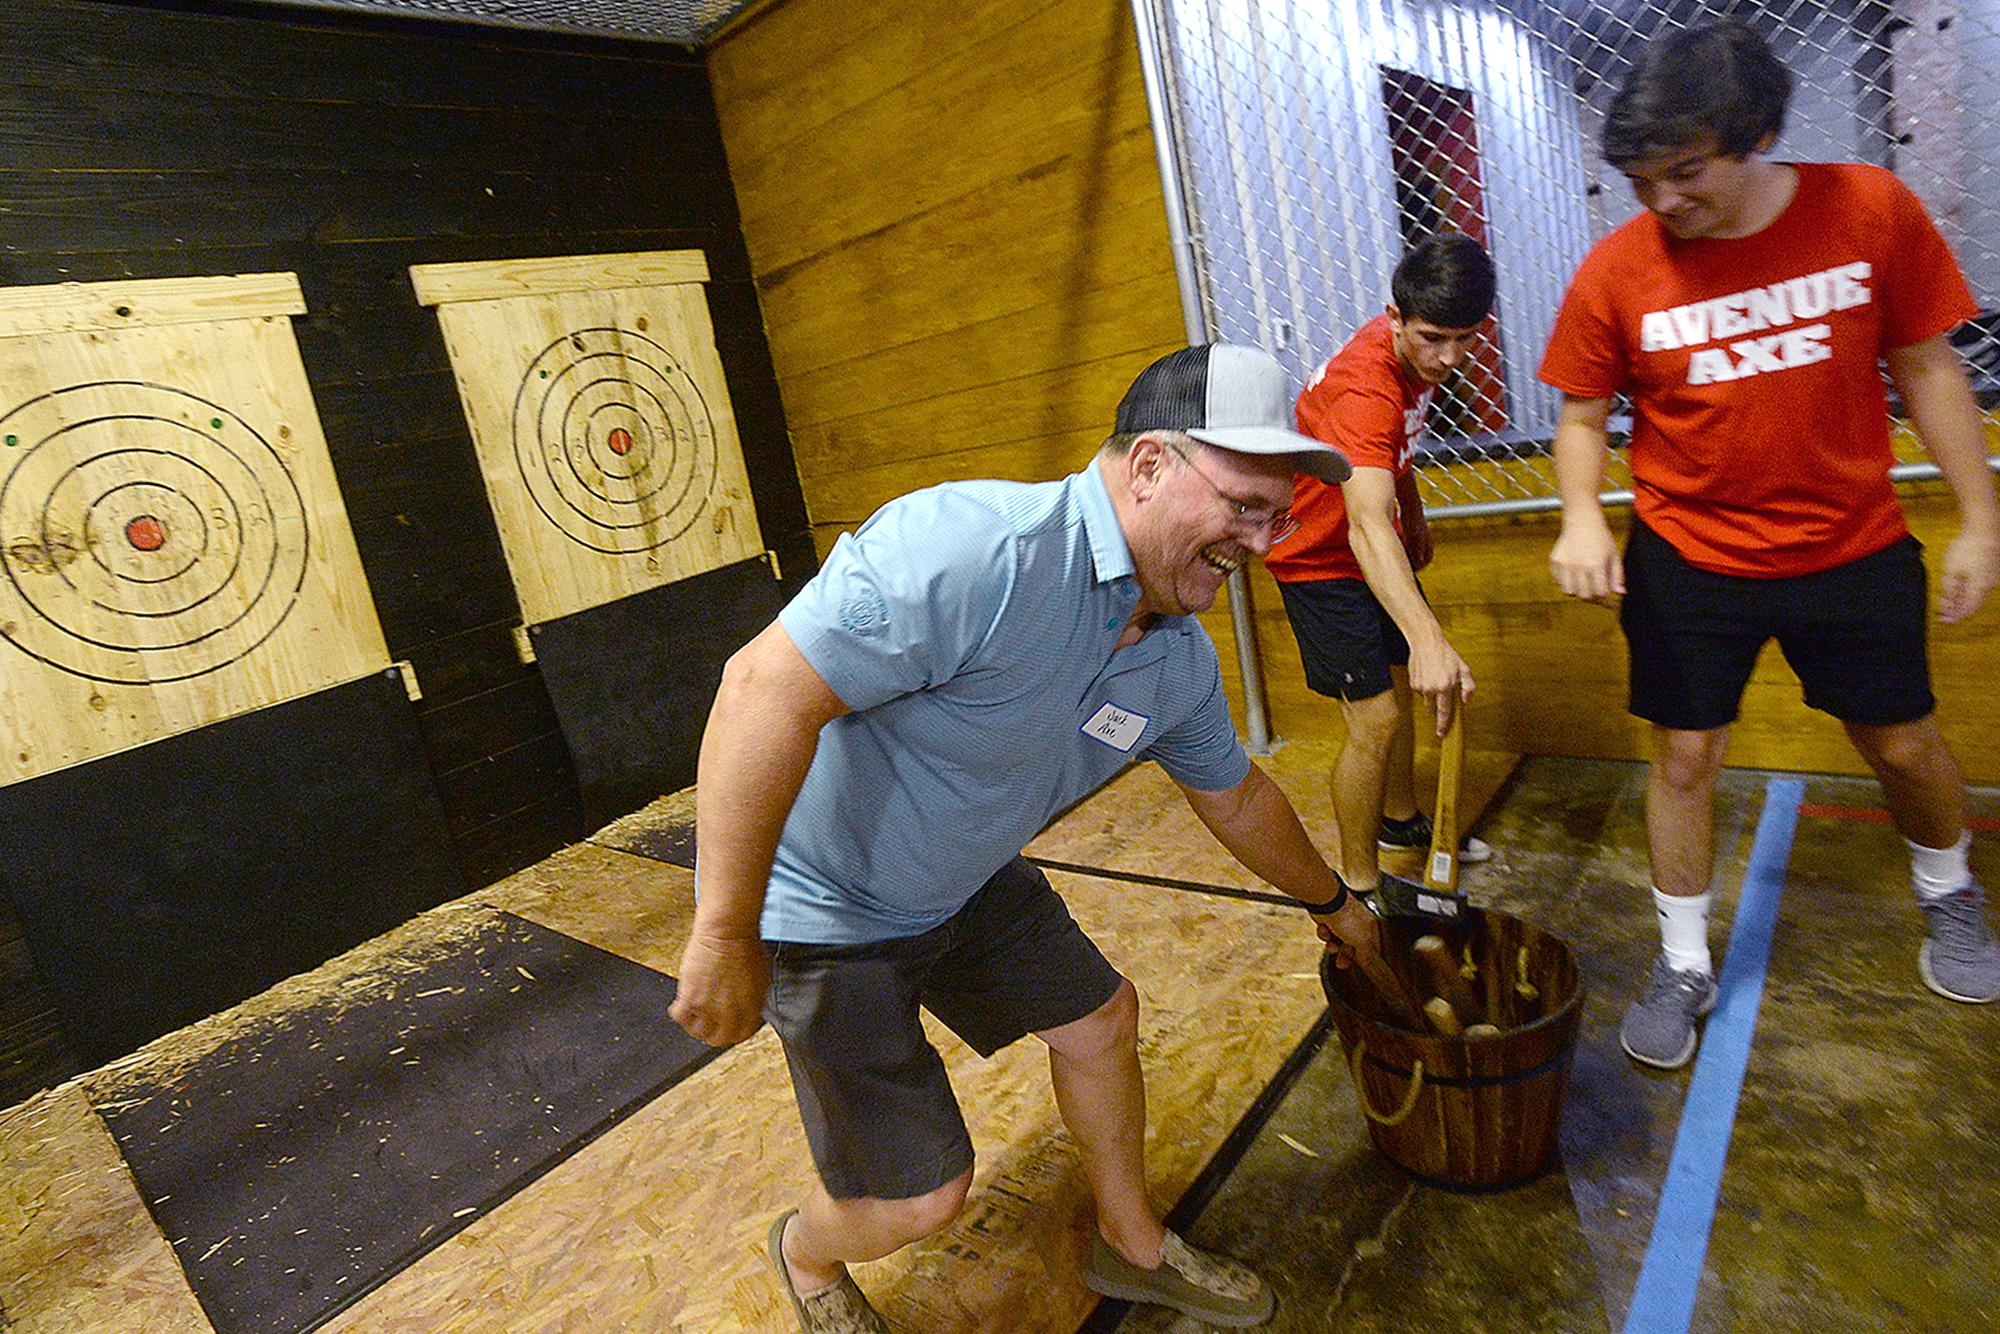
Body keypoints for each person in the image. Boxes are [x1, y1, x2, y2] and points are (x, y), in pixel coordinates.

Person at [670, 344, 1395, 1332]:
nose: (1262, 541)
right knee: (921, 1199)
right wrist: (723, 928)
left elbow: (1235, 798)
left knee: (1099, 1021)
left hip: (964, 874)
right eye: (1241, 503)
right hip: (826, 903)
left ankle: (1130, 1242)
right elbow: (760, 691)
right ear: (1148, 465)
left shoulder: (1171, 653)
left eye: (1275, 515)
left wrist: (1335, 905)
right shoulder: (975, 547)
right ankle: (804, 1254)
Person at [1540, 20, 2000, 1070]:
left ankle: (1948, 891)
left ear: (1756, 137)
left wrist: (1976, 517)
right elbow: (1577, 416)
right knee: (1685, 754)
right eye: (1640, 179)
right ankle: (1680, 956)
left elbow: (1927, 369)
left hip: (1851, 543)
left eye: (1685, 172)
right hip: (1688, 555)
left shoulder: (1867, 208)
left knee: (1900, 742)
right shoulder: (1617, 269)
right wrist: (1578, 514)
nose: (1661, 201)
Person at [1267, 234, 1497, 905]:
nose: (1449, 358)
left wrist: (1416, 518)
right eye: (1432, 338)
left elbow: (1396, 460)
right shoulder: (1365, 386)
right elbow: (1366, 523)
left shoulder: (1411, 367)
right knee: (1376, 720)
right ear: (1394, 317)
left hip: (1368, 547)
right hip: (1318, 559)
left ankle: (1402, 822)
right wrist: (1428, 637)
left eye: (1465, 338)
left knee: (1401, 688)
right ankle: (1360, 888)